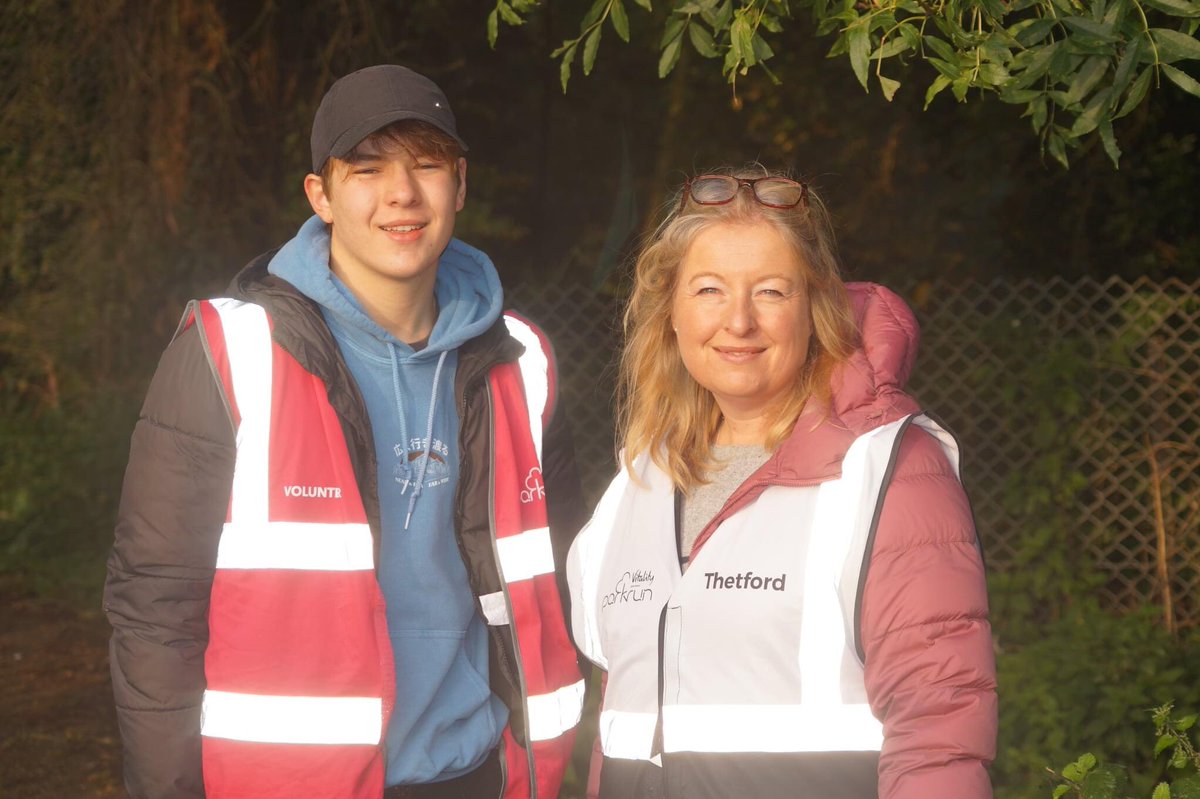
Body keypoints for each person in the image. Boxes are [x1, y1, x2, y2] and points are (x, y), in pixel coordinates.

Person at [104, 64, 587, 799]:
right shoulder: (231, 351)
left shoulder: (521, 362)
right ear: (320, 196)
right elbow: (155, 609)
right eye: (367, 168)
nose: (402, 192)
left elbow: (561, 580)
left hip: (476, 774)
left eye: (426, 164)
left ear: (460, 184)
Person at [567, 168, 998, 798]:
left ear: (815, 308)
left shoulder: (887, 469)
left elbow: (940, 727)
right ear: (671, 313)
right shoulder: (640, 479)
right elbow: (624, 719)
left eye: (770, 291)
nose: (738, 322)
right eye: (709, 289)